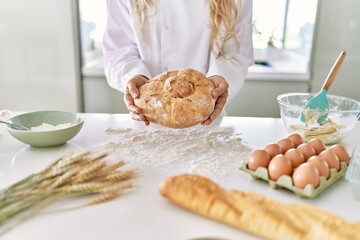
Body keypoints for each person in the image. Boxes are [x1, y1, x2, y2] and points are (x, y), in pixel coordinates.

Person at [103, 0, 254, 126]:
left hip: (207, 122)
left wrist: (219, 77)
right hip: (146, 121)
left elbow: (237, 54)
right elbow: (118, 52)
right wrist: (134, 75)